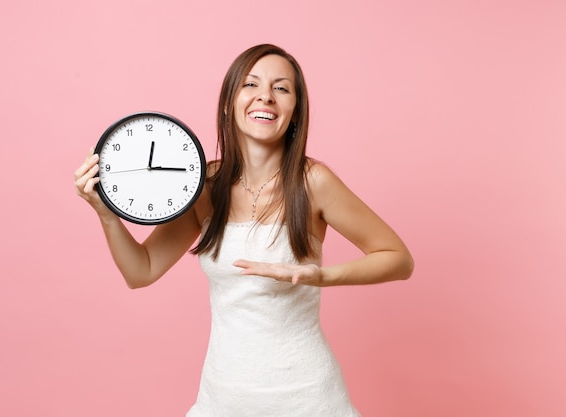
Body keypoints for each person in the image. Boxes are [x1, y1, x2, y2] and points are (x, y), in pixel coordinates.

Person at [74, 44, 414, 417]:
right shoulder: (204, 184)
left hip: (309, 400)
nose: (265, 96)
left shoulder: (313, 181)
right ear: (228, 102)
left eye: (281, 88)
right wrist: (107, 215)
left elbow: (399, 259)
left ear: (295, 111)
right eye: (250, 84)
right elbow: (141, 270)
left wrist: (320, 275)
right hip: (223, 400)